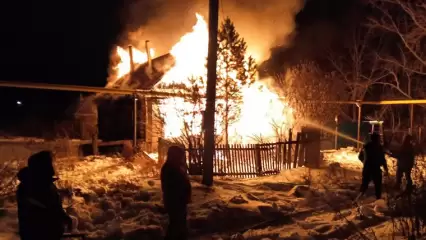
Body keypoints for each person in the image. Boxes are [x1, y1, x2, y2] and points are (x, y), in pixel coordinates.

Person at [17, 151, 72, 240]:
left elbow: (54, 207)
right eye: (50, 163)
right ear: (42, 167)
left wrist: (64, 216)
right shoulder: (29, 187)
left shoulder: (47, 184)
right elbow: (44, 211)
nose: (53, 167)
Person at [161, 146, 191, 240]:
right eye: (180, 156)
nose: (182, 159)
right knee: (175, 227)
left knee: (180, 226)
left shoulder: (177, 167)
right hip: (175, 203)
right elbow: (172, 188)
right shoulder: (169, 169)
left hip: (180, 202)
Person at [357, 133, 389, 201]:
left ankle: (357, 199)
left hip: (367, 169)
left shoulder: (366, 146)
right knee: (378, 186)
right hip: (376, 169)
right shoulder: (379, 147)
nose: (380, 139)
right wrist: (386, 170)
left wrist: (365, 162)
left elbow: (360, 157)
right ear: (377, 139)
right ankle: (378, 201)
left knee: (364, 185)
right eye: (379, 138)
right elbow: (383, 159)